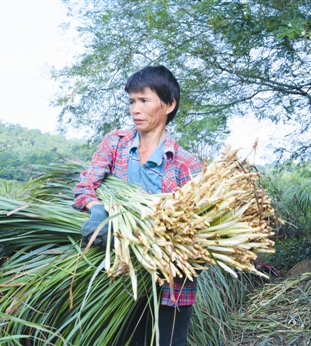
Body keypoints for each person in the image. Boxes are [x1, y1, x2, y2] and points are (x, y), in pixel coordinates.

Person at [73, 65, 203, 346]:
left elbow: (201, 234)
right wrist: (97, 211)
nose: (135, 109)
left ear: (169, 105)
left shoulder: (186, 164)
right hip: (118, 280)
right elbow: (86, 186)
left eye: (144, 100)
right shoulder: (116, 144)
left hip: (170, 286)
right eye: (132, 101)